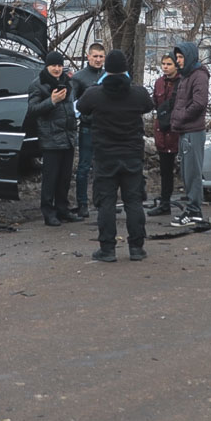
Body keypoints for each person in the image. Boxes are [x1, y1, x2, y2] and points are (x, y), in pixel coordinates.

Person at [76, 49, 154, 262]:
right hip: (131, 155)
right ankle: (137, 248)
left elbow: (81, 107)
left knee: (106, 203)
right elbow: (149, 106)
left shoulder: (95, 93)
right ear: (125, 70)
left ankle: (108, 249)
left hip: (105, 156)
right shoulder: (138, 93)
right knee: (134, 202)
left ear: (106, 69)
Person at [27, 50, 79, 226]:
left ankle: (63, 209)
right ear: (47, 66)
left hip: (68, 135)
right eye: (53, 66)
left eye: (59, 65)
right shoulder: (38, 84)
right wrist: (52, 101)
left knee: (65, 178)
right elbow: (33, 110)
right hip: (50, 138)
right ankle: (48, 212)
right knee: (51, 178)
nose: (57, 69)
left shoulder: (67, 81)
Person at [170, 41, 210, 228]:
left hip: (192, 130)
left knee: (193, 172)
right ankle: (192, 209)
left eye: (180, 57)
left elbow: (199, 103)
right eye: (176, 58)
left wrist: (181, 117)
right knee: (187, 172)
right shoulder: (186, 76)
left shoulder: (198, 76)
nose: (178, 61)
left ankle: (194, 211)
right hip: (185, 130)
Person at [70, 42, 105, 218]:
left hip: (105, 128)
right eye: (95, 56)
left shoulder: (108, 76)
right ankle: (82, 203)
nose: (98, 60)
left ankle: (103, 202)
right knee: (84, 167)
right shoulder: (79, 78)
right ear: (88, 56)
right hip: (87, 128)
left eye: (101, 57)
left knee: (104, 166)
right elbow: (72, 104)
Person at [148, 53, 181, 217]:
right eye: (164, 64)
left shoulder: (182, 83)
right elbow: (155, 102)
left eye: (169, 64)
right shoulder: (159, 83)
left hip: (177, 132)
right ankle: (165, 202)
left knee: (182, 170)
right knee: (165, 170)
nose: (166, 67)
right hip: (162, 131)